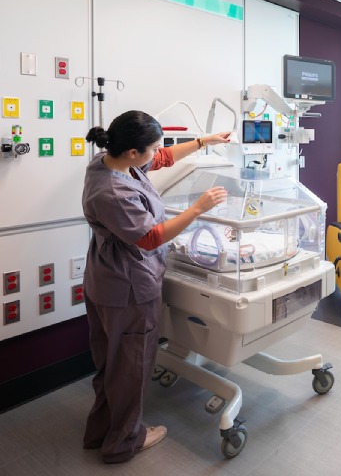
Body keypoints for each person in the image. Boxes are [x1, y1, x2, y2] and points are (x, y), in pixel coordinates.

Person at [81, 110, 231, 464]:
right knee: (131, 364)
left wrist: (202, 142)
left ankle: (101, 429)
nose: (157, 153)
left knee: (110, 361)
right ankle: (124, 441)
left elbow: (161, 159)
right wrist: (198, 208)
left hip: (106, 280)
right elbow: (151, 238)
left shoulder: (106, 162)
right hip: (128, 286)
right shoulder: (114, 192)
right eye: (152, 147)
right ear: (133, 151)